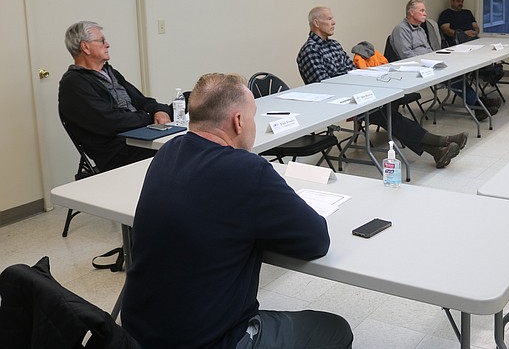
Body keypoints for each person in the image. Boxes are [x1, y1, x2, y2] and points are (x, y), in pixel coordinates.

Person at [121, 73, 354, 349]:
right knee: (335, 329)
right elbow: (316, 241)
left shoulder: (167, 152)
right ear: (239, 121)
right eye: (254, 116)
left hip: (138, 333)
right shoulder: (247, 170)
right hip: (208, 341)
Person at [297, 7, 466, 168]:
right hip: (337, 101)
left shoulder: (334, 45)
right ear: (316, 23)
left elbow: (352, 70)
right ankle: (441, 141)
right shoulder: (310, 50)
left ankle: (437, 151)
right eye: (329, 19)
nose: (334, 22)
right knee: (386, 113)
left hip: (354, 91)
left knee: (388, 111)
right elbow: (325, 85)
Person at [58, 21, 172, 172]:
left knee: (191, 99)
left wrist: (160, 111)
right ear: (85, 47)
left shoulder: (110, 73)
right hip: (119, 149)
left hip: (141, 134)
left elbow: (142, 101)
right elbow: (110, 122)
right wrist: (149, 117)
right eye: (102, 41)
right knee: (180, 148)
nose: (108, 45)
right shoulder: (73, 84)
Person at [390, 0, 500, 119]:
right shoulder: (400, 30)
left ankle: (479, 103)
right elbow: (405, 56)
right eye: (422, 10)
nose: (425, 13)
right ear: (411, 12)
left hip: (429, 63)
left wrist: (437, 58)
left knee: (457, 72)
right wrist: (428, 62)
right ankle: (478, 105)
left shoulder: (421, 29)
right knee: (454, 77)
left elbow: (428, 50)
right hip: (415, 68)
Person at [439, 0, 504, 85]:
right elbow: (446, 30)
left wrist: (475, 32)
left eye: (462, 1)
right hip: (459, 45)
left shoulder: (467, 12)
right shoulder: (446, 14)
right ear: (452, 1)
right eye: (458, 1)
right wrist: (463, 34)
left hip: (474, 40)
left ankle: (490, 70)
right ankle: (487, 72)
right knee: (480, 56)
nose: (460, 3)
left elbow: (476, 27)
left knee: (489, 50)